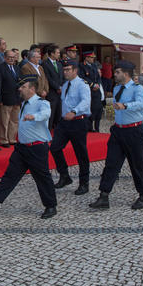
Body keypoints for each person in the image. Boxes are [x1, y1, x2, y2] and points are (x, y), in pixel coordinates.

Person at [0, 74, 57, 219]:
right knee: (11, 174)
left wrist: (35, 117)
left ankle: (51, 206)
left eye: (24, 87)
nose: (20, 89)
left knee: (42, 178)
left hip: (37, 148)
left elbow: (46, 114)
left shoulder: (41, 103)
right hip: (22, 148)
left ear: (32, 89)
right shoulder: (24, 103)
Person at [89, 61, 143, 210]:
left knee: (137, 163)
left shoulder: (137, 88)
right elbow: (116, 106)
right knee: (111, 163)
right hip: (118, 130)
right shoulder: (116, 89)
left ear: (126, 74)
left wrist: (126, 105)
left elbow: (141, 104)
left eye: (117, 72)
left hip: (133, 131)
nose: (114, 75)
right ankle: (104, 196)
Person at [50, 60, 92, 195]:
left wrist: (74, 111)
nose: (65, 72)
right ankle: (65, 176)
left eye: (68, 69)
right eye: (64, 69)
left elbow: (85, 102)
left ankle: (84, 183)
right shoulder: (66, 84)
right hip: (64, 122)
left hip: (78, 121)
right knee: (55, 147)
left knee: (81, 153)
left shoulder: (82, 85)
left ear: (75, 71)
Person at [0, 50, 21, 148]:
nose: (12, 59)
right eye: (10, 57)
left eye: (13, 57)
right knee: (4, 121)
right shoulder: (0, 68)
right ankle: (4, 140)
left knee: (14, 121)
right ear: (5, 58)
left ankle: (12, 139)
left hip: (16, 98)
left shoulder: (16, 67)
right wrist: (0, 99)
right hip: (6, 98)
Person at [79, 51, 104, 132]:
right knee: (90, 110)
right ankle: (89, 128)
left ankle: (97, 128)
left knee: (98, 109)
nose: (93, 59)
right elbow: (82, 77)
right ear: (86, 58)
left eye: (93, 57)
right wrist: (92, 85)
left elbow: (98, 77)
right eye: (91, 57)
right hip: (89, 90)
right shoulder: (82, 66)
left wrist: (98, 84)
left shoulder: (94, 65)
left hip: (97, 91)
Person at [42, 44, 64, 132]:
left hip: (60, 93)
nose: (59, 54)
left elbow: (62, 77)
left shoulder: (59, 64)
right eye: (57, 52)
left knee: (59, 114)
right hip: (51, 93)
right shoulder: (45, 64)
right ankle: (47, 134)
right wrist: (57, 87)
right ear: (52, 53)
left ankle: (58, 134)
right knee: (50, 115)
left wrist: (62, 87)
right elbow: (48, 78)